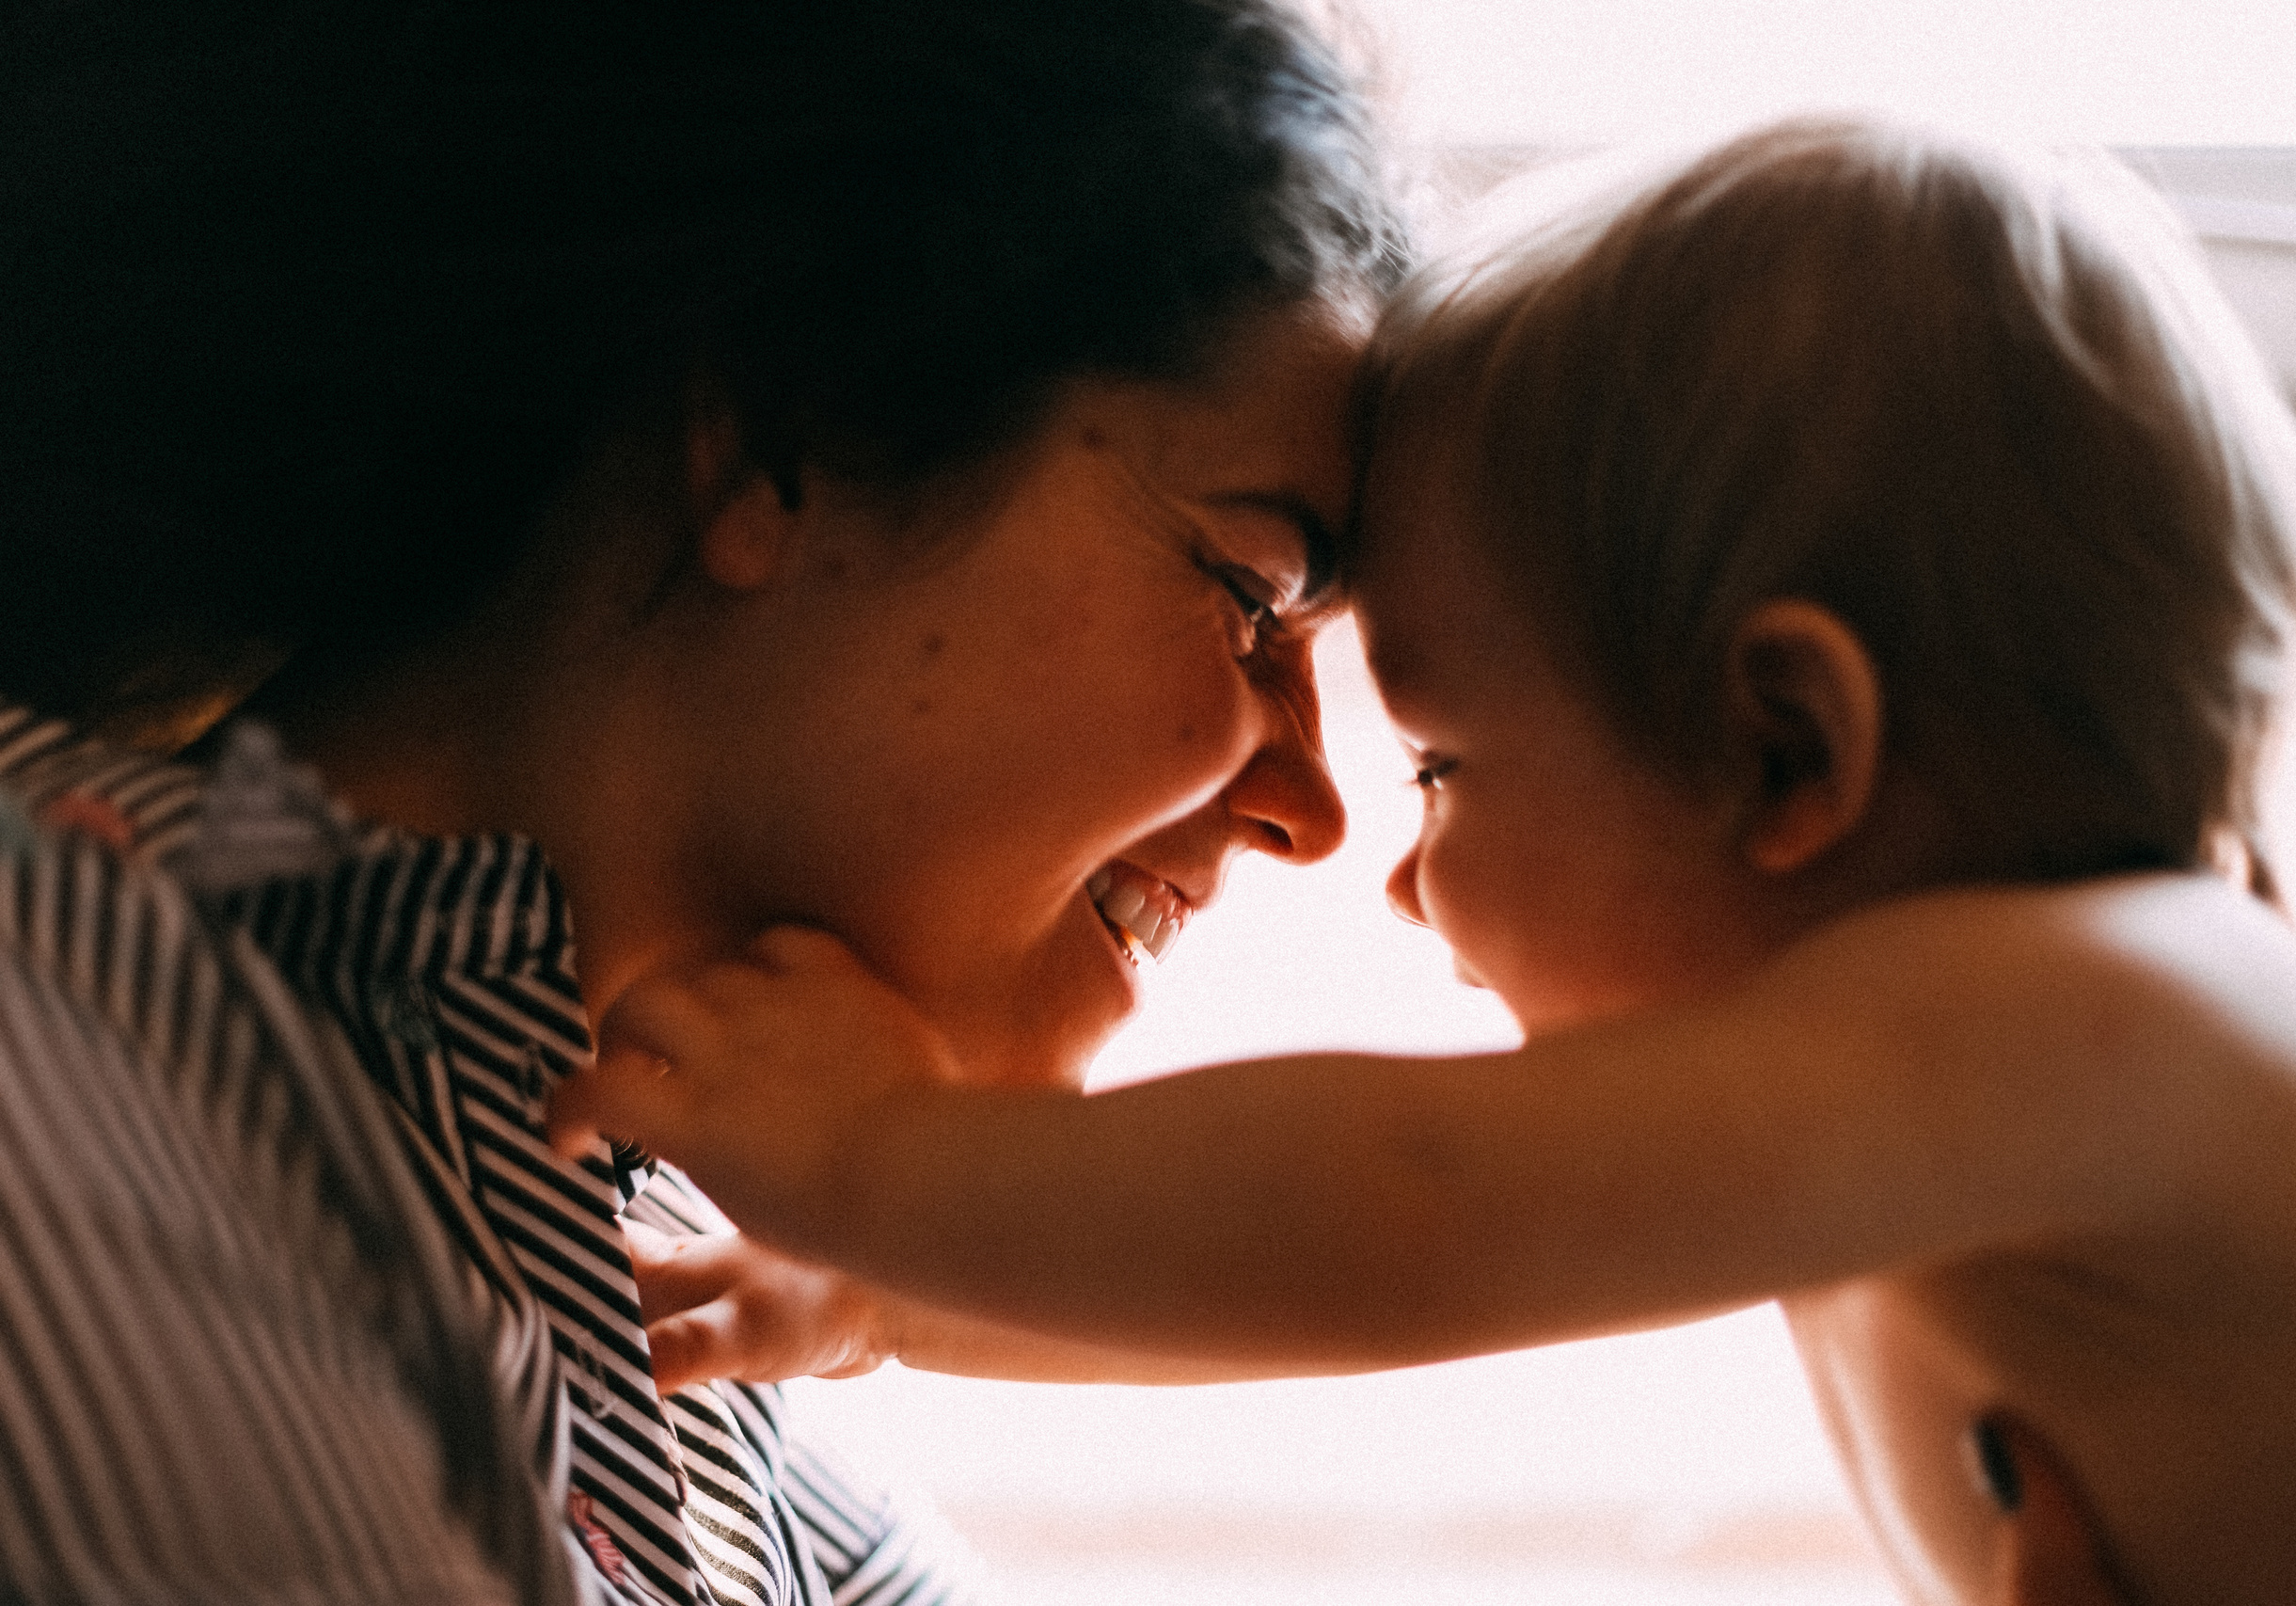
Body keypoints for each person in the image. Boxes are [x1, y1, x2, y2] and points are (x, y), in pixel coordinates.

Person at [553, 119, 2296, 1604]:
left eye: (1441, 760)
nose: (1396, 873)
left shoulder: (2076, 1010)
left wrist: (895, 1162)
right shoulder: (1984, 1063)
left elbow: (1393, 1217)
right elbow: (1349, 1287)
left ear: (1785, 747)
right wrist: (895, 1299)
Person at [0, 1, 1395, 1598]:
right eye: (1250, 594)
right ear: (784, 440)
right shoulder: (72, 1108)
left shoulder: (681, 1281)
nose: (1313, 806)